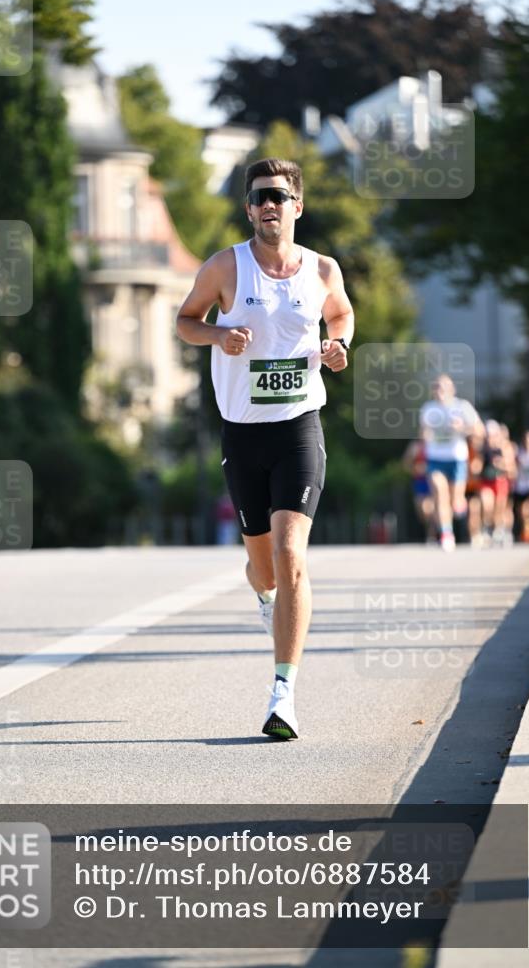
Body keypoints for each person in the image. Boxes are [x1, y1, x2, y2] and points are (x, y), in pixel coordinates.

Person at [176, 157, 353, 739]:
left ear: (297, 206)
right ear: (249, 209)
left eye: (278, 195)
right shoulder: (226, 267)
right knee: (262, 567)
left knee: (289, 553)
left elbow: (342, 312)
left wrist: (337, 342)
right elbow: (185, 321)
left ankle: (284, 695)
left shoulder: (323, 269)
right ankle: (267, 598)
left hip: (300, 427)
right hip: (243, 434)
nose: (268, 205)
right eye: (258, 198)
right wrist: (219, 334)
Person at [419, 375, 483, 552]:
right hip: (435, 458)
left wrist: (462, 428)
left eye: (443, 387)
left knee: (455, 500)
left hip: (457, 458)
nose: (440, 391)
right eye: (436, 387)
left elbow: (479, 430)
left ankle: (459, 506)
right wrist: (424, 437)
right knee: (440, 494)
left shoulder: (461, 407)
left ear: (452, 389)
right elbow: (423, 432)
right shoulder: (428, 409)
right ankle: (447, 534)